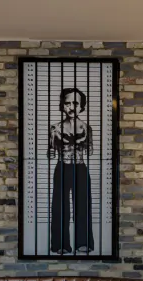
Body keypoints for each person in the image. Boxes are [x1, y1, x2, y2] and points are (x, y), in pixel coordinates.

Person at [48, 87, 94, 254]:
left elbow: (90, 151)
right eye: (67, 103)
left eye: (75, 103)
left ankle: (83, 242)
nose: (71, 107)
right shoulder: (55, 128)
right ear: (62, 106)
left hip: (80, 168)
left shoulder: (87, 129)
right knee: (60, 206)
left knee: (83, 205)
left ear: (82, 106)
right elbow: (51, 152)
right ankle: (60, 244)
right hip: (62, 166)